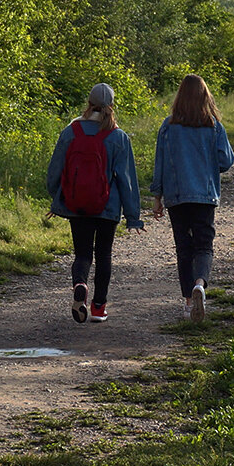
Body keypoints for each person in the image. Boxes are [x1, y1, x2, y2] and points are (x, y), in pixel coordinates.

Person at [47, 83, 144, 324]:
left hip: (77, 205)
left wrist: (58, 199)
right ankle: (99, 307)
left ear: (88, 104)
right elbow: (126, 180)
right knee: (103, 255)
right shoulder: (118, 137)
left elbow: (55, 171)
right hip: (107, 208)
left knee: (82, 253)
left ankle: (79, 283)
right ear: (111, 106)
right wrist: (133, 216)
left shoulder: (71, 131)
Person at [151, 74, 234, 322]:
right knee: (204, 245)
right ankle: (200, 284)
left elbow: (160, 163)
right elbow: (226, 161)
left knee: (183, 248)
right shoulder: (213, 126)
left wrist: (157, 196)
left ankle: (188, 302)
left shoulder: (168, 126)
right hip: (204, 195)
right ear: (204, 98)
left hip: (176, 196)